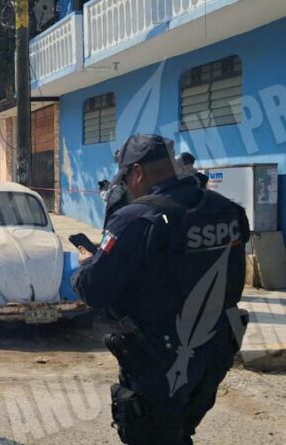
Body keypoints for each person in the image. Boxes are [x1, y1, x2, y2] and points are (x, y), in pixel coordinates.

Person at [72, 134, 250, 445]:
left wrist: (87, 265)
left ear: (137, 172)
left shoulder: (135, 218)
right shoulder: (227, 209)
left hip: (160, 354)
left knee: (151, 434)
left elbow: (95, 291)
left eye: (126, 178)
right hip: (216, 347)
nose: (127, 187)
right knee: (179, 430)